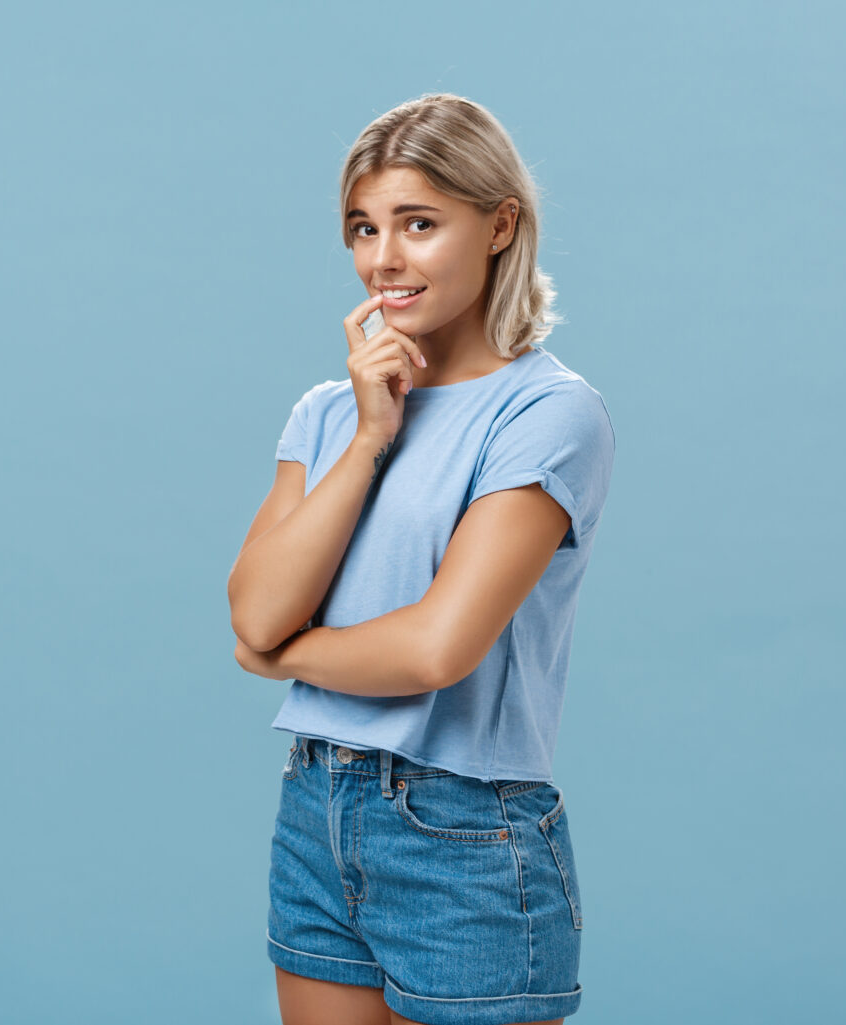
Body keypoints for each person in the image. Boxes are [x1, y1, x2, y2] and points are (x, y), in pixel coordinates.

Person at [226, 93, 616, 1025]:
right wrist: (369, 435)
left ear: (499, 225)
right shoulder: (329, 413)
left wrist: (283, 657)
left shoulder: (548, 415)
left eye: (419, 223)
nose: (384, 258)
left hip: (460, 831)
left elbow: (437, 648)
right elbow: (253, 608)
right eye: (364, 227)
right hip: (317, 808)